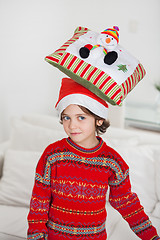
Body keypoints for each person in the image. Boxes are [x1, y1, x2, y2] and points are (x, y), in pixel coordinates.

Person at [27, 78, 160, 240]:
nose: (72, 125)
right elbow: (39, 202)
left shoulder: (112, 161)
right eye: (66, 117)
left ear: (99, 119)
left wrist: (152, 237)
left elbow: (127, 203)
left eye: (81, 117)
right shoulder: (52, 155)